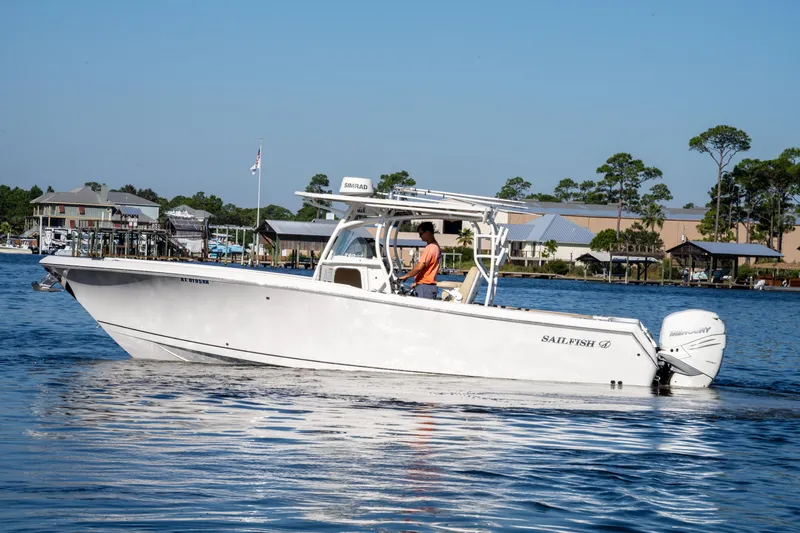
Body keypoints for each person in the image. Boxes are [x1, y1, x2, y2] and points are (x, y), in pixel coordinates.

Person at [398, 222, 441, 299]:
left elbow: (419, 266)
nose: (420, 236)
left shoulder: (431, 248)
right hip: (426, 286)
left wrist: (406, 276)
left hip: (425, 287)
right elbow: (429, 269)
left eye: (421, 234)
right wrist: (417, 283)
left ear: (427, 232)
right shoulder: (436, 246)